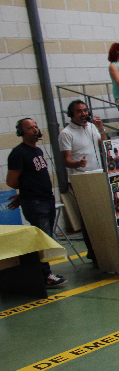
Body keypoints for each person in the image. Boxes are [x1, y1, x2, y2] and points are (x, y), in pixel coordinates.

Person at [6, 118, 67, 287]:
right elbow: (12, 181)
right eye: (29, 128)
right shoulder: (19, 153)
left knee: (46, 238)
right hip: (35, 202)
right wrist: (26, 194)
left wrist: (24, 193)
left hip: (46, 199)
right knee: (41, 240)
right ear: (21, 132)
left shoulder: (38, 151)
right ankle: (44, 275)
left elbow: (32, 176)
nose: (35, 130)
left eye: (36, 127)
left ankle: (45, 272)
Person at [59, 100, 107, 264]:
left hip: (98, 175)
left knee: (101, 216)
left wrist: (101, 129)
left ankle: (103, 250)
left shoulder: (92, 127)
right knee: (88, 218)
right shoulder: (66, 133)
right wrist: (78, 164)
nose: (83, 114)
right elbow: (66, 160)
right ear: (71, 114)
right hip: (82, 180)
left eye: (85, 110)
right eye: (79, 111)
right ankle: (93, 253)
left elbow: (104, 146)